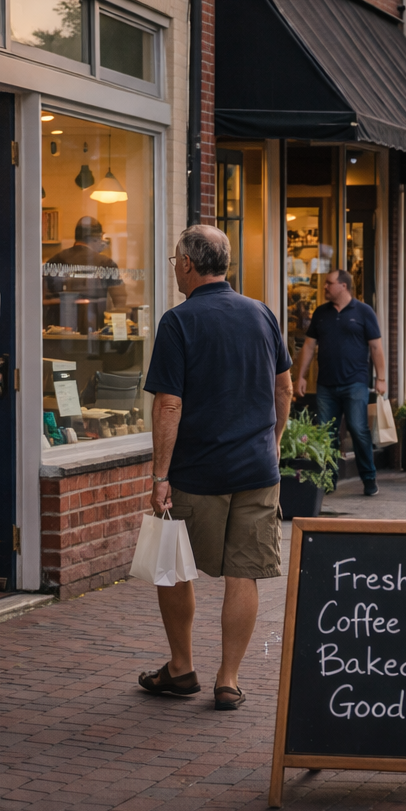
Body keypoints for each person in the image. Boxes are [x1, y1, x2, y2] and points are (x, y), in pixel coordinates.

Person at [140, 226, 292, 711]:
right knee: (242, 574)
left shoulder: (178, 321)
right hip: (256, 471)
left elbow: (168, 404)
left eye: (173, 261)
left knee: (174, 568)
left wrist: (160, 476)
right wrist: (274, 443)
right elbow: (285, 388)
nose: (174, 269)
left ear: (186, 263)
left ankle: (181, 668)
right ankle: (229, 679)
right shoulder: (262, 314)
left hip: (197, 472)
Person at [294, 270, 386, 497]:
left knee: (358, 430)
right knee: (327, 435)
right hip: (326, 385)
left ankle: (369, 478)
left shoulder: (364, 312)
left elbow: (376, 347)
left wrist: (381, 378)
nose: (324, 287)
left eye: (329, 283)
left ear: (343, 286)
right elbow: (308, 346)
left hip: (355, 383)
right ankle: (329, 479)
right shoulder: (321, 313)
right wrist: (301, 376)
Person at [44, 215, 128, 330]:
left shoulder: (55, 261)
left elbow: (43, 296)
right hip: (94, 327)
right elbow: (120, 300)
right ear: (96, 238)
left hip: (58, 328)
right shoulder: (105, 263)